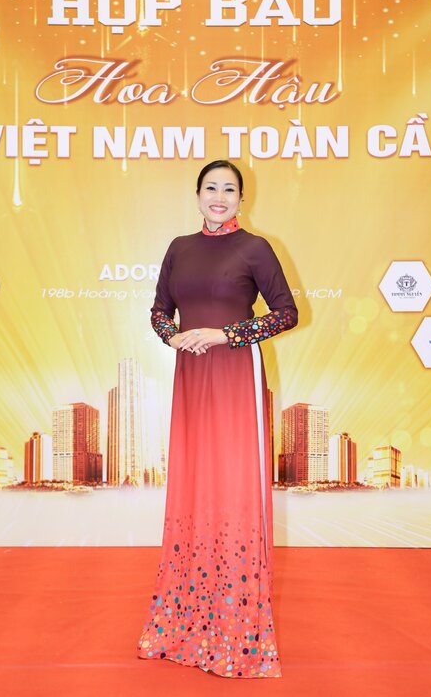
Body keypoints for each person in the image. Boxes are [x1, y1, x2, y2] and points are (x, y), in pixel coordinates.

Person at [137, 160, 298, 678]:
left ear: (242, 198)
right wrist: (173, 337)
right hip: (191, 374)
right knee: (193, 481)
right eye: (211, 188)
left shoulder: (256, 247)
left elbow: (286, 312)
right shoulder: (179, 247)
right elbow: (159, 310)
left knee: (232, 483)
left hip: (234, 372)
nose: (220, 197)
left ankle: (236, 626)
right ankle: (183, 619)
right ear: (198, 194)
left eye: (230, 189)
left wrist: (226, 335)